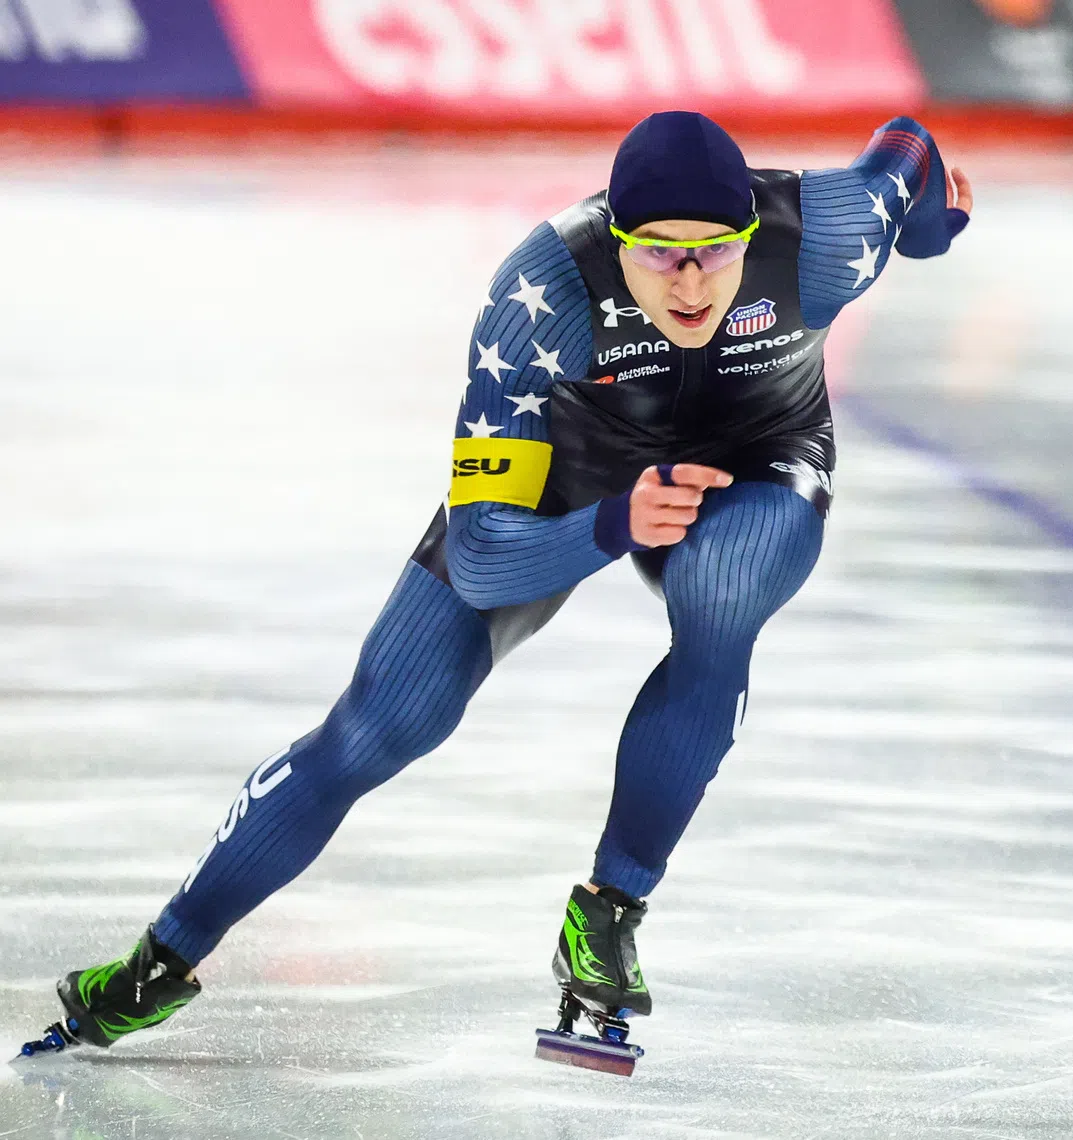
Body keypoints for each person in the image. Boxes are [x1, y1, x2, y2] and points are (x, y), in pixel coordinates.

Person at [25, 110, 972, 1056]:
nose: (688, 284)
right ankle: (162, 959)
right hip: (575, 476)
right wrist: (614, 522)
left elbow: (906, 151)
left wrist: (926, 232)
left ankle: (608, 910)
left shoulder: (829, 235)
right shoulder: (542, 292)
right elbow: (481, 557)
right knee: (381, 722)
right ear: (616, 236)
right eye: (656, 257)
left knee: (719, 592)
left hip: (760, 459)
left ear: (750, 238)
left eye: (713, 256)